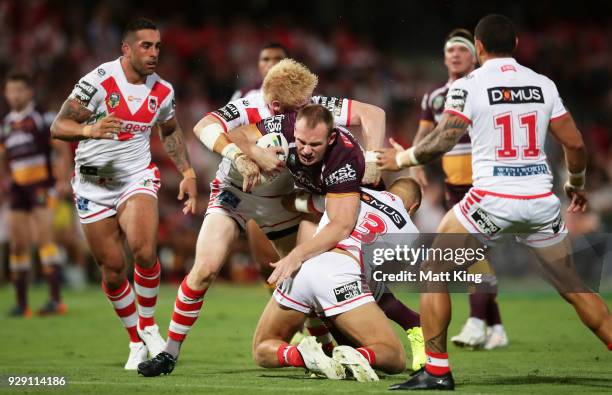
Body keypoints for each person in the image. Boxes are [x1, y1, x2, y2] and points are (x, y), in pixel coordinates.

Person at [137, 63, 423, 377]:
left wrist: (371, 158)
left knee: (307, 271)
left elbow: (372, 114)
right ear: (276, 107)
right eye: (301, 107)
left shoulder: (311, 110)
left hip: (282, 202)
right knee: (204, 270)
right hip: (235, 194)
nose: (311, 108)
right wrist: (243, 155)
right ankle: (169, 353)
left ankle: (324, 349)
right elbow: (205, 126)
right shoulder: (248, 106)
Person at [377, 14, 612, 390]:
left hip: (492, 200)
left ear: (479, 47)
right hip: (540, 200)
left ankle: (436, 372)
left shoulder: (469, 84)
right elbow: (576, 144)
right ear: (516, 45)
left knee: (433, 272)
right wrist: (577, 184)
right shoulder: (542, 84)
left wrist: (401, 161)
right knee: (574, 286)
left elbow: (443, 139)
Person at [50, 18, 198, 370]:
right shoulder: (97, 82)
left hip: (136, 176)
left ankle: (148, 326)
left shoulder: (163, 90)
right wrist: (89, 129)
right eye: (146, 46)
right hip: (93, 179)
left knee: (145, 251)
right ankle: (135, 341)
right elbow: (59, 126)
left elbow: (171, 130)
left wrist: (189, 172)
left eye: (158, 46)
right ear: (126, 49)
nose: (154, 53)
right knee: (113, 270)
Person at [251, 178, 422, 381]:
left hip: (302, 266)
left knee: (263, 347)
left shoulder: (351, 193)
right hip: (341, 272)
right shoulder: (411, 233)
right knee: (393, 356)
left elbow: (291, 203)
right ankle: (357, 355)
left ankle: (301, 356)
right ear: (414, 207)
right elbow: (378, 281)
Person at [411, 28, 507, 350]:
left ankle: (478, 322)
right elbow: (424, 135)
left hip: (484, 181)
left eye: (462, 50)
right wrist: (415, 162)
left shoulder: (484, 88)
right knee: (472, 255)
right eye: (450, 49)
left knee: (471, 254)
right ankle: (494, 326)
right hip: (455, 184)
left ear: (476, 54)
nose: (455, 55)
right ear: (443, 56)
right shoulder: (434, 96)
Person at [0, 70, 72, 317]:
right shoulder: (6, 124)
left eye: (19, 90)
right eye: (11, 90)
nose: (15, 95)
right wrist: (5, 180)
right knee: (18, 245)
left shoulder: (41, 118)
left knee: (44, 239)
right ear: (6, 94)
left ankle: (55, 299)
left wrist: (63, 178)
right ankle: (22, 304)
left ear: (29, 92)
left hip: (41, 185)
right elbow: (2, 156)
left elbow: (61, 149)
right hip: (18, 189)